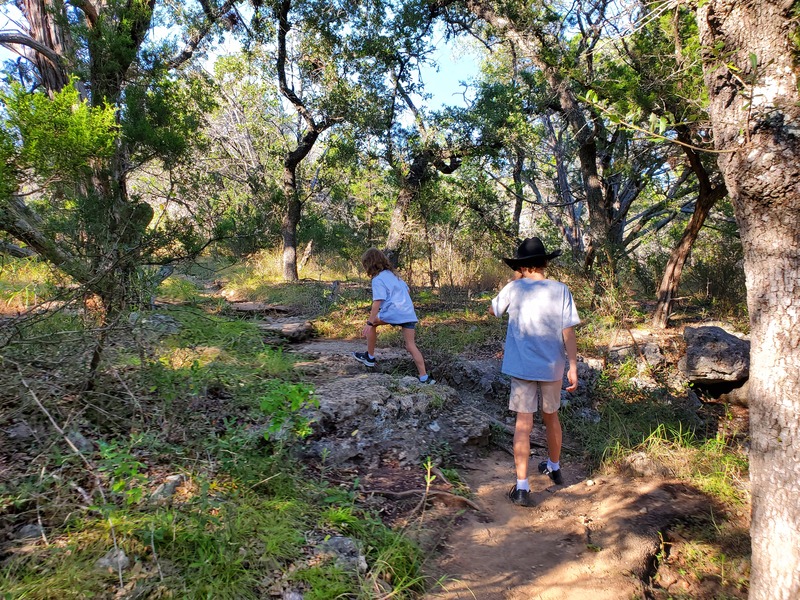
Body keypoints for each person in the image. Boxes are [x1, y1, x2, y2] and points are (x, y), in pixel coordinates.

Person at [488, 237, 580, 507]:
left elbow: (493, 311)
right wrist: (573, 365)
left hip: (522, 367)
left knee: (523, 425)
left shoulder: (514, 288)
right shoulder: (561, 290)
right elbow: (569, 331)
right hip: (552, 366)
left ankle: (522, 487)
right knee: (551, 417)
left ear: (522, 266)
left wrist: (515, 281)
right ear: (544, 262)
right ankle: (554, 466)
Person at [352, 248, 434, 384]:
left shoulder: (377, 279)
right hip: (408, 312)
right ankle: (424, 377)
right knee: (411, 346)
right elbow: (407, 290)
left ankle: (370, 357)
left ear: (369, 264)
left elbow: (377, 301)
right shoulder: (394, 275)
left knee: (373, 324)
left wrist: (369, 322)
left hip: (394, 311)